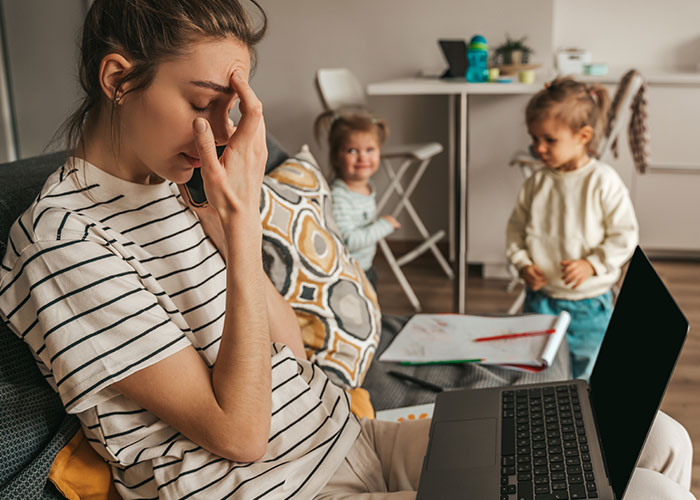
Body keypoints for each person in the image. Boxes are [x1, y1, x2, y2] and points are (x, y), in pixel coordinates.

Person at [0, 2, 694, 499]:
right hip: (277, 488)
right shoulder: (62, 247)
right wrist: (242, 236)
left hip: (347, 439)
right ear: (118, 79)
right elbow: (240, 435)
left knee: (657, 438)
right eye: (203, 100)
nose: (220, 130)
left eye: (234, 105)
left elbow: (292, 359)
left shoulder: (173, 190)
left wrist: (221, 226)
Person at [506, 77, 639, 380]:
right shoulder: (536, 183)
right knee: (539, 372)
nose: (539, 148)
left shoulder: (603, 182)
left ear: (583, 136)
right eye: (534, 138)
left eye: (549, 140)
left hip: (589, 306)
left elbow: (625, 234)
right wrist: (523, 263)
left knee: (585, 377)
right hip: (539, 298)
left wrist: (592, 264)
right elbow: (515, 230)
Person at [315, 109, 400, 290]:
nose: (363, 157)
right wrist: (383, 225)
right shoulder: (339, 196)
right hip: (346, 273)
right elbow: (349, 241)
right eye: (352, 150)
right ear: (336, 156)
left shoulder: (365, 188)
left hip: (364, 267)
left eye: (370, 150)